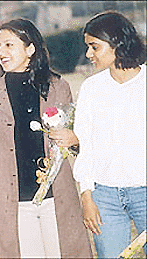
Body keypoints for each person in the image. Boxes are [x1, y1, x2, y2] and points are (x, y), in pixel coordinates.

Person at [0, 18, 92, 258]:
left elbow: (78, 140)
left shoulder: (58, 86)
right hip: (13, 203)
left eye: (9, 45)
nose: (1, 52)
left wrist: (74, 139)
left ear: (30, 49)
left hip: (57, 198)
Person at [73, 11, 146, 258]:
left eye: (94, 47)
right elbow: (86, 146)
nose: (88, 54)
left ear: (118, 42)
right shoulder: (90, 89)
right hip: (104, 198)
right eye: (88, 47)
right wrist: (86, 196)